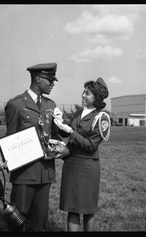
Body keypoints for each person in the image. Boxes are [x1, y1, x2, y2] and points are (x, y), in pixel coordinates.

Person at [0, 62, 66, 232]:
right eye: (49, 80)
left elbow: (55, 135)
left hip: (45, 173)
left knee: (40, 223)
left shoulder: (51, 105)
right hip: (24, 173)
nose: (52, 84)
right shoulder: (16, 105)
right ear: (38, 78)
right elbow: (10, 136)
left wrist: (61, 147)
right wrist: (3, 154)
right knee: (19, 221)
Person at [54, 78, 111, 231]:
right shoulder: (79, 112)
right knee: (72, 207)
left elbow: (91, 146)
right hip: (71, 164)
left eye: (87, 93)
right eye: (83, 92)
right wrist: (58, 123)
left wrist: (70, 131)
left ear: (96, 98)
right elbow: (68, 133)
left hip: (87, 166)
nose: (83, 95)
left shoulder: (101, 117)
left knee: (87, 209)